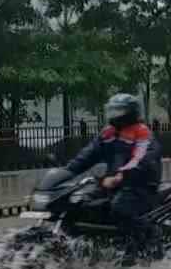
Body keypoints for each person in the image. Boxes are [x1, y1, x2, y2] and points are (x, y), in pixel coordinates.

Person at [65, 94, 162, 244]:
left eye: (118, 111)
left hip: (140, 186)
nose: (114, 115)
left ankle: (150, 241)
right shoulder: (108, 134)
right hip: (112, 184)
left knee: (121, 208)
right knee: (79, 202)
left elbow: (143, 161)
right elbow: (88, 154)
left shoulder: (143, 134)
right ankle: (88, 243)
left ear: (130, 113)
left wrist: (120, 177)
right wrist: (67, 171)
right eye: (112, 111)